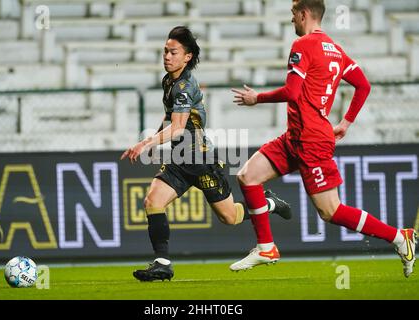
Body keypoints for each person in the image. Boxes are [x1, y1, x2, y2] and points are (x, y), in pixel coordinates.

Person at [230, 0, 416, 277]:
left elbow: (293, 92)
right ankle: (266, 246)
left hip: (311, 140)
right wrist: (346, 122)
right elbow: (363, 85)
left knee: (331, 211)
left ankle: (401, 237)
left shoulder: (303, 46)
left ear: (304, 14)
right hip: (296, 136)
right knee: (247, 176)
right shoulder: (335, 50)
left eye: (293, 14)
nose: (292, 20)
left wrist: (258, 98)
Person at [121, 26, 292, 282]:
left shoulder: (184, 86)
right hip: (180, 160)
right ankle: (162, 263)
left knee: (230, 217)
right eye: (165, 51)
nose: (167, 56)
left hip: (202, 161)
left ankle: (269, 203)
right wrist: (156, 138)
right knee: (152, 202)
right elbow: (171, 119)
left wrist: (147, 142)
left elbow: (178, 127)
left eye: (173, 52)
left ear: (187, 56)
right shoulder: (169, 81)